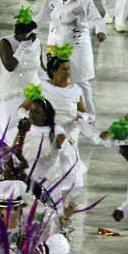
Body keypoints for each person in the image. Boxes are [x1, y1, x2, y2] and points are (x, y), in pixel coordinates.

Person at [33, 0, 107, 115]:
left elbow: (96, 18)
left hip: (77, 45)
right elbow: (42, 16)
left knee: (80, 81)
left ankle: (89, 115)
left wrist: (100, 30)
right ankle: (59, 113)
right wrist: (30, 30)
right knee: (55, 79)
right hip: (54, 44)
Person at [0, 8, 42, 146]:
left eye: (35, 35)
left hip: (31, 93)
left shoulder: (36, 43)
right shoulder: (5, 43)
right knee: (9, 132)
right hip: (11, 93)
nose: (34, 38)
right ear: (21, 35)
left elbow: (41, 67)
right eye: (31, 35)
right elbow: (10, 66)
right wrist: (22, 47)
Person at [40, 44, 100, 192]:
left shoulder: (76, 89)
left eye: (69, 69)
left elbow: (84, 112)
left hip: (69, 130)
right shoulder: (42, 87)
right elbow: (27, 108)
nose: (68, 72)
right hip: (48, 132)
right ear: (53, 71)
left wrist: (81, 118)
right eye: (63, 69)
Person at [13, 86, 67, 202]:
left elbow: (69, 153)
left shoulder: (57, 131)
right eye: (31, 111)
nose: (32, 114)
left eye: (36, 112)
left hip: (49, 183)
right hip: (27, 182)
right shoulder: (25, 128)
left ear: (46, 115)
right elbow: (14, 151)